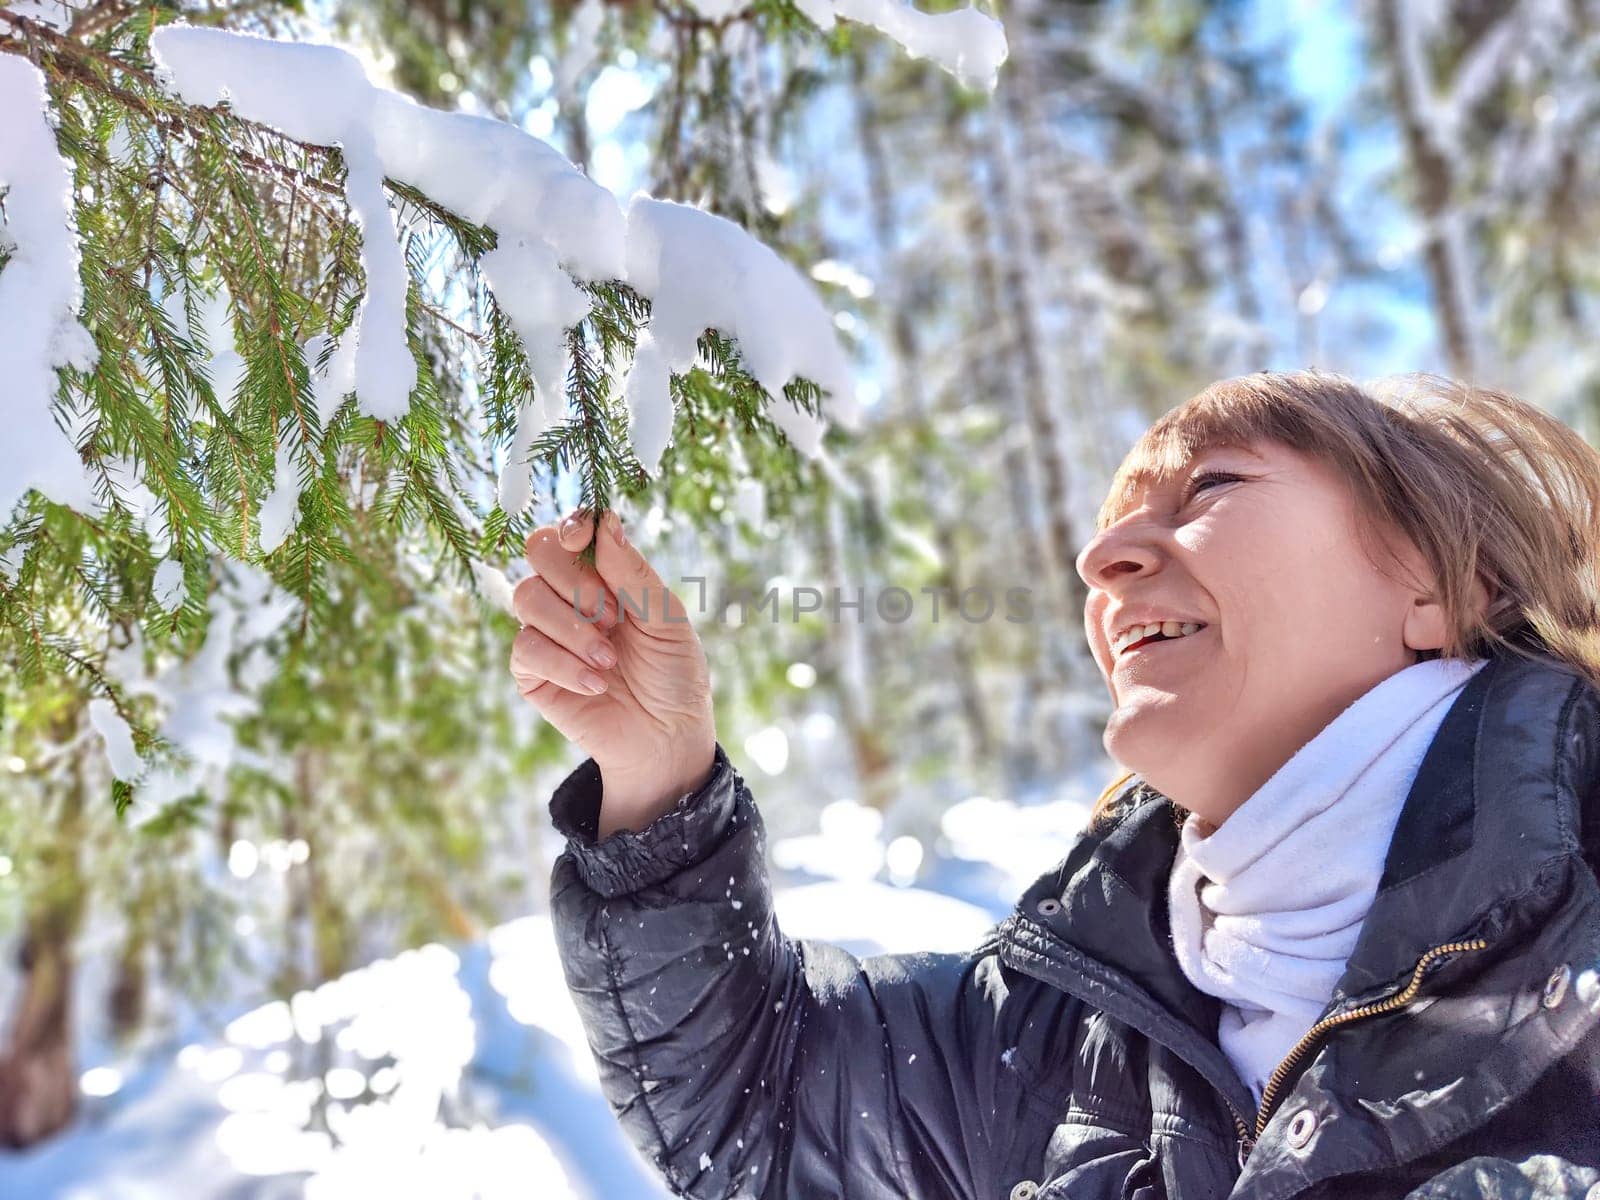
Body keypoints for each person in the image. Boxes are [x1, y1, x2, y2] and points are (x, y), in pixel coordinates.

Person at [509, 369, 1600, 1199]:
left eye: (1208, 487)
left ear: (1441, 586)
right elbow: (759, 1104)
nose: (1102, 559)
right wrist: (657, 784)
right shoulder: (1066, 1032)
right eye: (1110, 524)